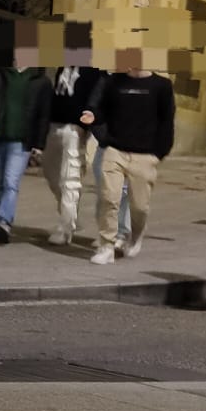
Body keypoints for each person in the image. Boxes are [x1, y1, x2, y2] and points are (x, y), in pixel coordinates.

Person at [85, 52, 175, 265]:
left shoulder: (161, 86)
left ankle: (136, 236)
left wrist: (159, 152)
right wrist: (93, 116)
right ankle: (106, 245)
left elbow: (166, 121)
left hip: (145, 155)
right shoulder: (114, 82)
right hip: (115, 150)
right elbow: (102, 110)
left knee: (140, 207)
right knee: (109, 198)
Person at [0, 31, 52, 246]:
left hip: (21, 142)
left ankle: (4, 222)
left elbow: (43, 116)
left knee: (10, 182)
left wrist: (39, 145)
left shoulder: (41, 82)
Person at [43, 50, 105, 246]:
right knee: (50, 173)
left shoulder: (94, 71)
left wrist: (84, 126)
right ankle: (69, 213)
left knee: (69, 177)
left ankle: (66, 227)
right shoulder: (63, 66)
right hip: (54, 124)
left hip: (74, 128)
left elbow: (96, 99)